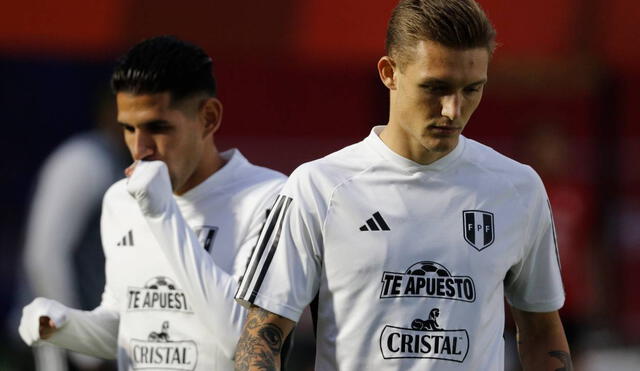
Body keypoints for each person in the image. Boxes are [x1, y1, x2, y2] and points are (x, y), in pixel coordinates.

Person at [234, 0, 572, 370]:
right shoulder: (319, 187)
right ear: (389, 72)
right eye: (435, 88)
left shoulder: (518, 189)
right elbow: (261, 338)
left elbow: (542, 332)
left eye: (472, 89)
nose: (453, 110)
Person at [19, 36, 286, 371]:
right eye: (128, 129)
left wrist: (163, 214)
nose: (140, 147)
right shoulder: (120, 200)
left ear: (208, 118)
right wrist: (64, 326)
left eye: (158, 127)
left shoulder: (271, 197)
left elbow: (245, 341)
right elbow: (129, 327)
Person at [22, 87, 126, 371]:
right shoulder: (84, 160)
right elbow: (44, 256)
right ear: (110, 111)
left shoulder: (126, 164)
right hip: (58, 349)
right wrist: (74, 346)